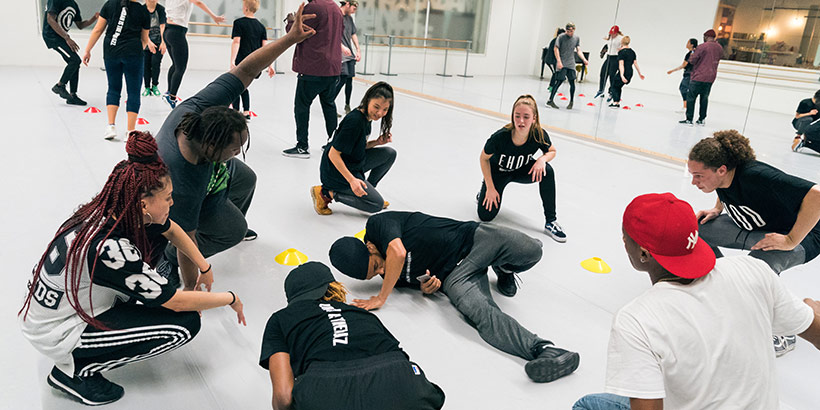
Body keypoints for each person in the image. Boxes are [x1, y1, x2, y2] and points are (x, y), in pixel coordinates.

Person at [18, 131, 246, 406]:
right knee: (183, 325)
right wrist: (229, 298)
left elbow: (171, 229)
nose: (172, 204)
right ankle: (74, 373)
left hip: (52, 308)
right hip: (58, 331)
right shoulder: (109, 249)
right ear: (143, 204)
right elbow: (176, 302)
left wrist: (204, 265)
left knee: (155, 248)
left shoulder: (111, 210)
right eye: (168, 198)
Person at [572, 192, 820, 410]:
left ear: (644, 254)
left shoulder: (637, 320)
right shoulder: (753, 270)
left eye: (626, 238)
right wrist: (810, 311)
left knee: (587, 405)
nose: (624, 243)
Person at [157, 4, 316, 290]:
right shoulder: (183, 178)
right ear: (211, 147)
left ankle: (221, 214)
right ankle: (164, 258)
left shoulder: (201, 108)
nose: (237, 152)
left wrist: (290, 39)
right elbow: (185, 240)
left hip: (207, 173)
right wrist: (192, 288)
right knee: (233, 231)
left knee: (246, 176)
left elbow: (246, 67)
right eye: (233, 149)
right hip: (184, 202)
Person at [328, 211, 581, 383]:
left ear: (370, 247)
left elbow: (398, 252)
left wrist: (381, 298)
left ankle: (503, 267)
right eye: (375, 276)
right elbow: (422, 282)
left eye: (376, 265)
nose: (381, 273)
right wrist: (429, 288)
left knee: (533, 249)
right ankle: (544, 350)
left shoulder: (379, 226)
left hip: (473, 239)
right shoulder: (391, 275)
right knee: (482, 313)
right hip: (456, 276)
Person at [688, 130, 820, 355]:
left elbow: (817, 195)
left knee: (756, 269)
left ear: (721, 170)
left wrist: (790, 240)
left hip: (804, 234)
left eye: (699, 175)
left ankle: (783, 333)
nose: (693, 182)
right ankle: (723, 284)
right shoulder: (724, 174)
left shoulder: (756, 176)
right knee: (695, 229)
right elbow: (724, 188)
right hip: (759, 226)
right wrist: (717, 208)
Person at [259, 262, 445, 410]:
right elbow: (400, 356)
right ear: (333, 287)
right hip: (400, 380)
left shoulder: (280, 319)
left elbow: (283, 398)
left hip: (325, 389)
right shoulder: (362, 314)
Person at [477, 95, 565, 242]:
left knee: (547, 171)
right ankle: (483, 192)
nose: (521, 121)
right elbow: (483, 158)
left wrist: (542, 160)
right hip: (498, 173)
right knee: (485, 216)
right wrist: (490, 187)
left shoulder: (538, 134)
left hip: (521, 169)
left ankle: (551, 221)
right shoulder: (500, 137)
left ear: (534, 118)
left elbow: (552, 151)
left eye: (526, 116)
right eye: (517, 116)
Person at [311, 82, 396, 215]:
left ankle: (367, 191)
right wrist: (352, 180)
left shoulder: (367, 117)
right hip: (335, 170)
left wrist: (377, 142)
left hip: (352, 163)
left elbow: (357, 146)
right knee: (376, 205)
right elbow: (333, 154)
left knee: (389, 153)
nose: (380, 113)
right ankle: (326, 193)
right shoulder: (355, 121)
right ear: (368, 100)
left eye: (385, 110)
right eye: (376, 107)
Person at [282, 0, 344, 159]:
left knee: (301, 107)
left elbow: (297, 34)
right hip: (333, 68)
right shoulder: (336, 9)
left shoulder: (313, 7)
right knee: (329, 105)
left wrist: (291, 21)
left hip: (313, 67)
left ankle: (302, 146)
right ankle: (335, 144)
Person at [83, 0, 153, 141]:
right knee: (133, 91)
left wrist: (87, 50)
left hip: (111, 52)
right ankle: (130, 131)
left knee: (113, 88)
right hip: (133, 53)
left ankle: (111, 126)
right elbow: (144, 39)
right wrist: (137, 50)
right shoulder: (143, 11)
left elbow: (97, 29)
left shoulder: (110, 4)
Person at [163, 0, 226, 109]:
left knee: (175, 65)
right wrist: (214, 16)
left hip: (168, 31)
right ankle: (172, 96)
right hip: (177, 32)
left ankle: (169, 92)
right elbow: (198, 2)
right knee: (181, 67)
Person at [42, 0, 99, 105]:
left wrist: (94, 18)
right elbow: (50, 19)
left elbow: (80, 25)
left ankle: (72, 96)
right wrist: (67, 38)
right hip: (52, 36)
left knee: (75, 63)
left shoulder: (73, 4)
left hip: (61, 37)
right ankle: (60, 86)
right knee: (75, 60)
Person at [229, 0, 275, 119]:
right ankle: (246, 111)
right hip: (255, 64)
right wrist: (270, 65)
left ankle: (236, 111)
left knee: (236, 85)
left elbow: (236, 42)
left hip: (242, 61)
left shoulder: (239, 23)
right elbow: (266, 48)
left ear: (245, 8)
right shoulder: (261, 26)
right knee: (243, 85)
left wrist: (232, 61)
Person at [679, 29, 722, 125]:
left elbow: (692, 60)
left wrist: (693, 53)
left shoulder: (702, 47)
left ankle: (689, 119)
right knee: (704, 98)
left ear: (706, 37)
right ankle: (701, 119)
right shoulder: (719, 47)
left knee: (691, 97)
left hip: (699, 76)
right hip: (711, 77)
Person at [546, 22, 588, 110]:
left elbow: (578, 50)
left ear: (574, 30)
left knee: (572, 82)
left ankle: (571, 101)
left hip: (571, 62)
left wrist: (584, 59)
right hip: (562, 61)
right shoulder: (561, 37)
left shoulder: (576, 38)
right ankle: (550, 100)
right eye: (568, 31)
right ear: (566, 30)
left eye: (571, 31)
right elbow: (555, 48)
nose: (570, 33)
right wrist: (559, 61)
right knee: (559, 81)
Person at [332, 1, 361, 117]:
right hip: (338, 52)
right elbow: (331, 35)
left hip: (348, 53)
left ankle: (347, 104)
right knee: (342, 77)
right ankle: (329, 103)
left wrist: (358, 49)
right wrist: (342, 47)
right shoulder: (336, 15)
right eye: (354, 8)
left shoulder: (349, 18)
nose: (354, 11)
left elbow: (353, 34)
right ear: (348, 4)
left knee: (349, 79)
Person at [608, 36, 644, 108]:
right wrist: (640, 73)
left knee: (614, 85)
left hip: (624, 72)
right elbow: (635, 63)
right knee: (618, 86)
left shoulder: (621, 52)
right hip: (630, 72)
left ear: (622, 42)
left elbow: (621, 65)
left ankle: (615, 102)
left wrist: (621, 75)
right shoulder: (632, 52)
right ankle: (616, 102)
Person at [142, 0, 167, 98]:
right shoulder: (142, 9)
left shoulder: (161, 9)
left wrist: (163, 42)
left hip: (158, 42)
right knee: (146, 64)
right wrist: (148, 42)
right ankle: (147, 87)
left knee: (156, 63)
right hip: (145, 41)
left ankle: (155, 85)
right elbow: (141, 28)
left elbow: (163, 26)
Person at [666, 38, 697, 114]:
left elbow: (684, 65)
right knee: (686, 89)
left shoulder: (690, 54)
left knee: (683, 88)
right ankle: (686, 107)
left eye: (688, 42)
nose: (686, 44)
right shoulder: (695, 53)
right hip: (693, 74)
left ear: (691, 44)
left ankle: (686, 107)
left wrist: (673, 70)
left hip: (689, 74)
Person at [593, 25, 623, 100]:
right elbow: (607, 45)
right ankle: (601, 90)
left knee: (612, 75)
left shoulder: (620, 39)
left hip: (615, 58)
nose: (612, 35)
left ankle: (611, 92)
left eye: (613, 33)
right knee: (603, 73)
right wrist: (603, 51)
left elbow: (623, 47)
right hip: (608, 57)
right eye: (611, 33)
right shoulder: (610, 37)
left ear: (617, 33)